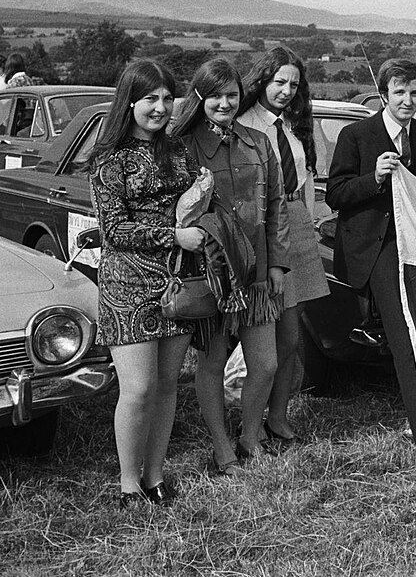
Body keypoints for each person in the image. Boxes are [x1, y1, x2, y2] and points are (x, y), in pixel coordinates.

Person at [326, 58, 416, 449]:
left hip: (414, 242)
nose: (408, 100)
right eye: (400, 92)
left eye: (415, 93)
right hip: (375, 246)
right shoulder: (356, 135)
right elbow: (336, 193)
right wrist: (374, 178)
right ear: (384, 95)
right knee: (402, 328)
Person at [88, 59, 205, 506]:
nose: (160, 107)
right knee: (137, 389)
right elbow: (113, 229)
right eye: (150, 99)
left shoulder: (177, 151)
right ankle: (127, 483)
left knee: (168, 386)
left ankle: (155, 475)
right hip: (128, 287)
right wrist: (171, 235)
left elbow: (193, 199)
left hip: (176, 283)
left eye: (167, 98)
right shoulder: (107, 160)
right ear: (129, 102)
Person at [172, 58, 290, 473]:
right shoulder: (181, 146)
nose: (224, 103)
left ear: (242, 96)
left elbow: (275, 205)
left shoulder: (258, 142)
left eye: (232, 95)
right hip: (213, 277)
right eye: (216, 95)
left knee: (267, 364)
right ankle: (222, 448)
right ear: (200, 96)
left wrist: (278, 264)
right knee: (213, 362)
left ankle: (250, 437)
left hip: (257, 276)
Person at [236, 46, 330, 443]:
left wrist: (309, 217)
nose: (287, 90)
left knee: (291, 338)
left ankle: (278, 416)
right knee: (265, 347)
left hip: (298, 225)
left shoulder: (290, 126)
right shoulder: (244, 125)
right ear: (262, 80)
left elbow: (305, 178)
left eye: (293, 84)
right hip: (265, 232)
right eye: (279, 82)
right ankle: (250, 426)